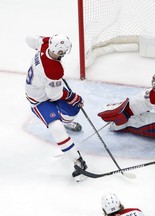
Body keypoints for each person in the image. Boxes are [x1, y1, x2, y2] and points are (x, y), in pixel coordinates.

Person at [25, 34, 87, 182]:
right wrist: (72, 96)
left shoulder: (45, 43)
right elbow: (54, 95)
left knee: (73, 110)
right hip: (39, 99)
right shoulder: (54, 70)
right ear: (60, 52)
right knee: (57, 128)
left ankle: (67, 122)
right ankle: (78, 162)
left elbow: (29, 39)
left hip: (46, 88)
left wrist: (39, 45)